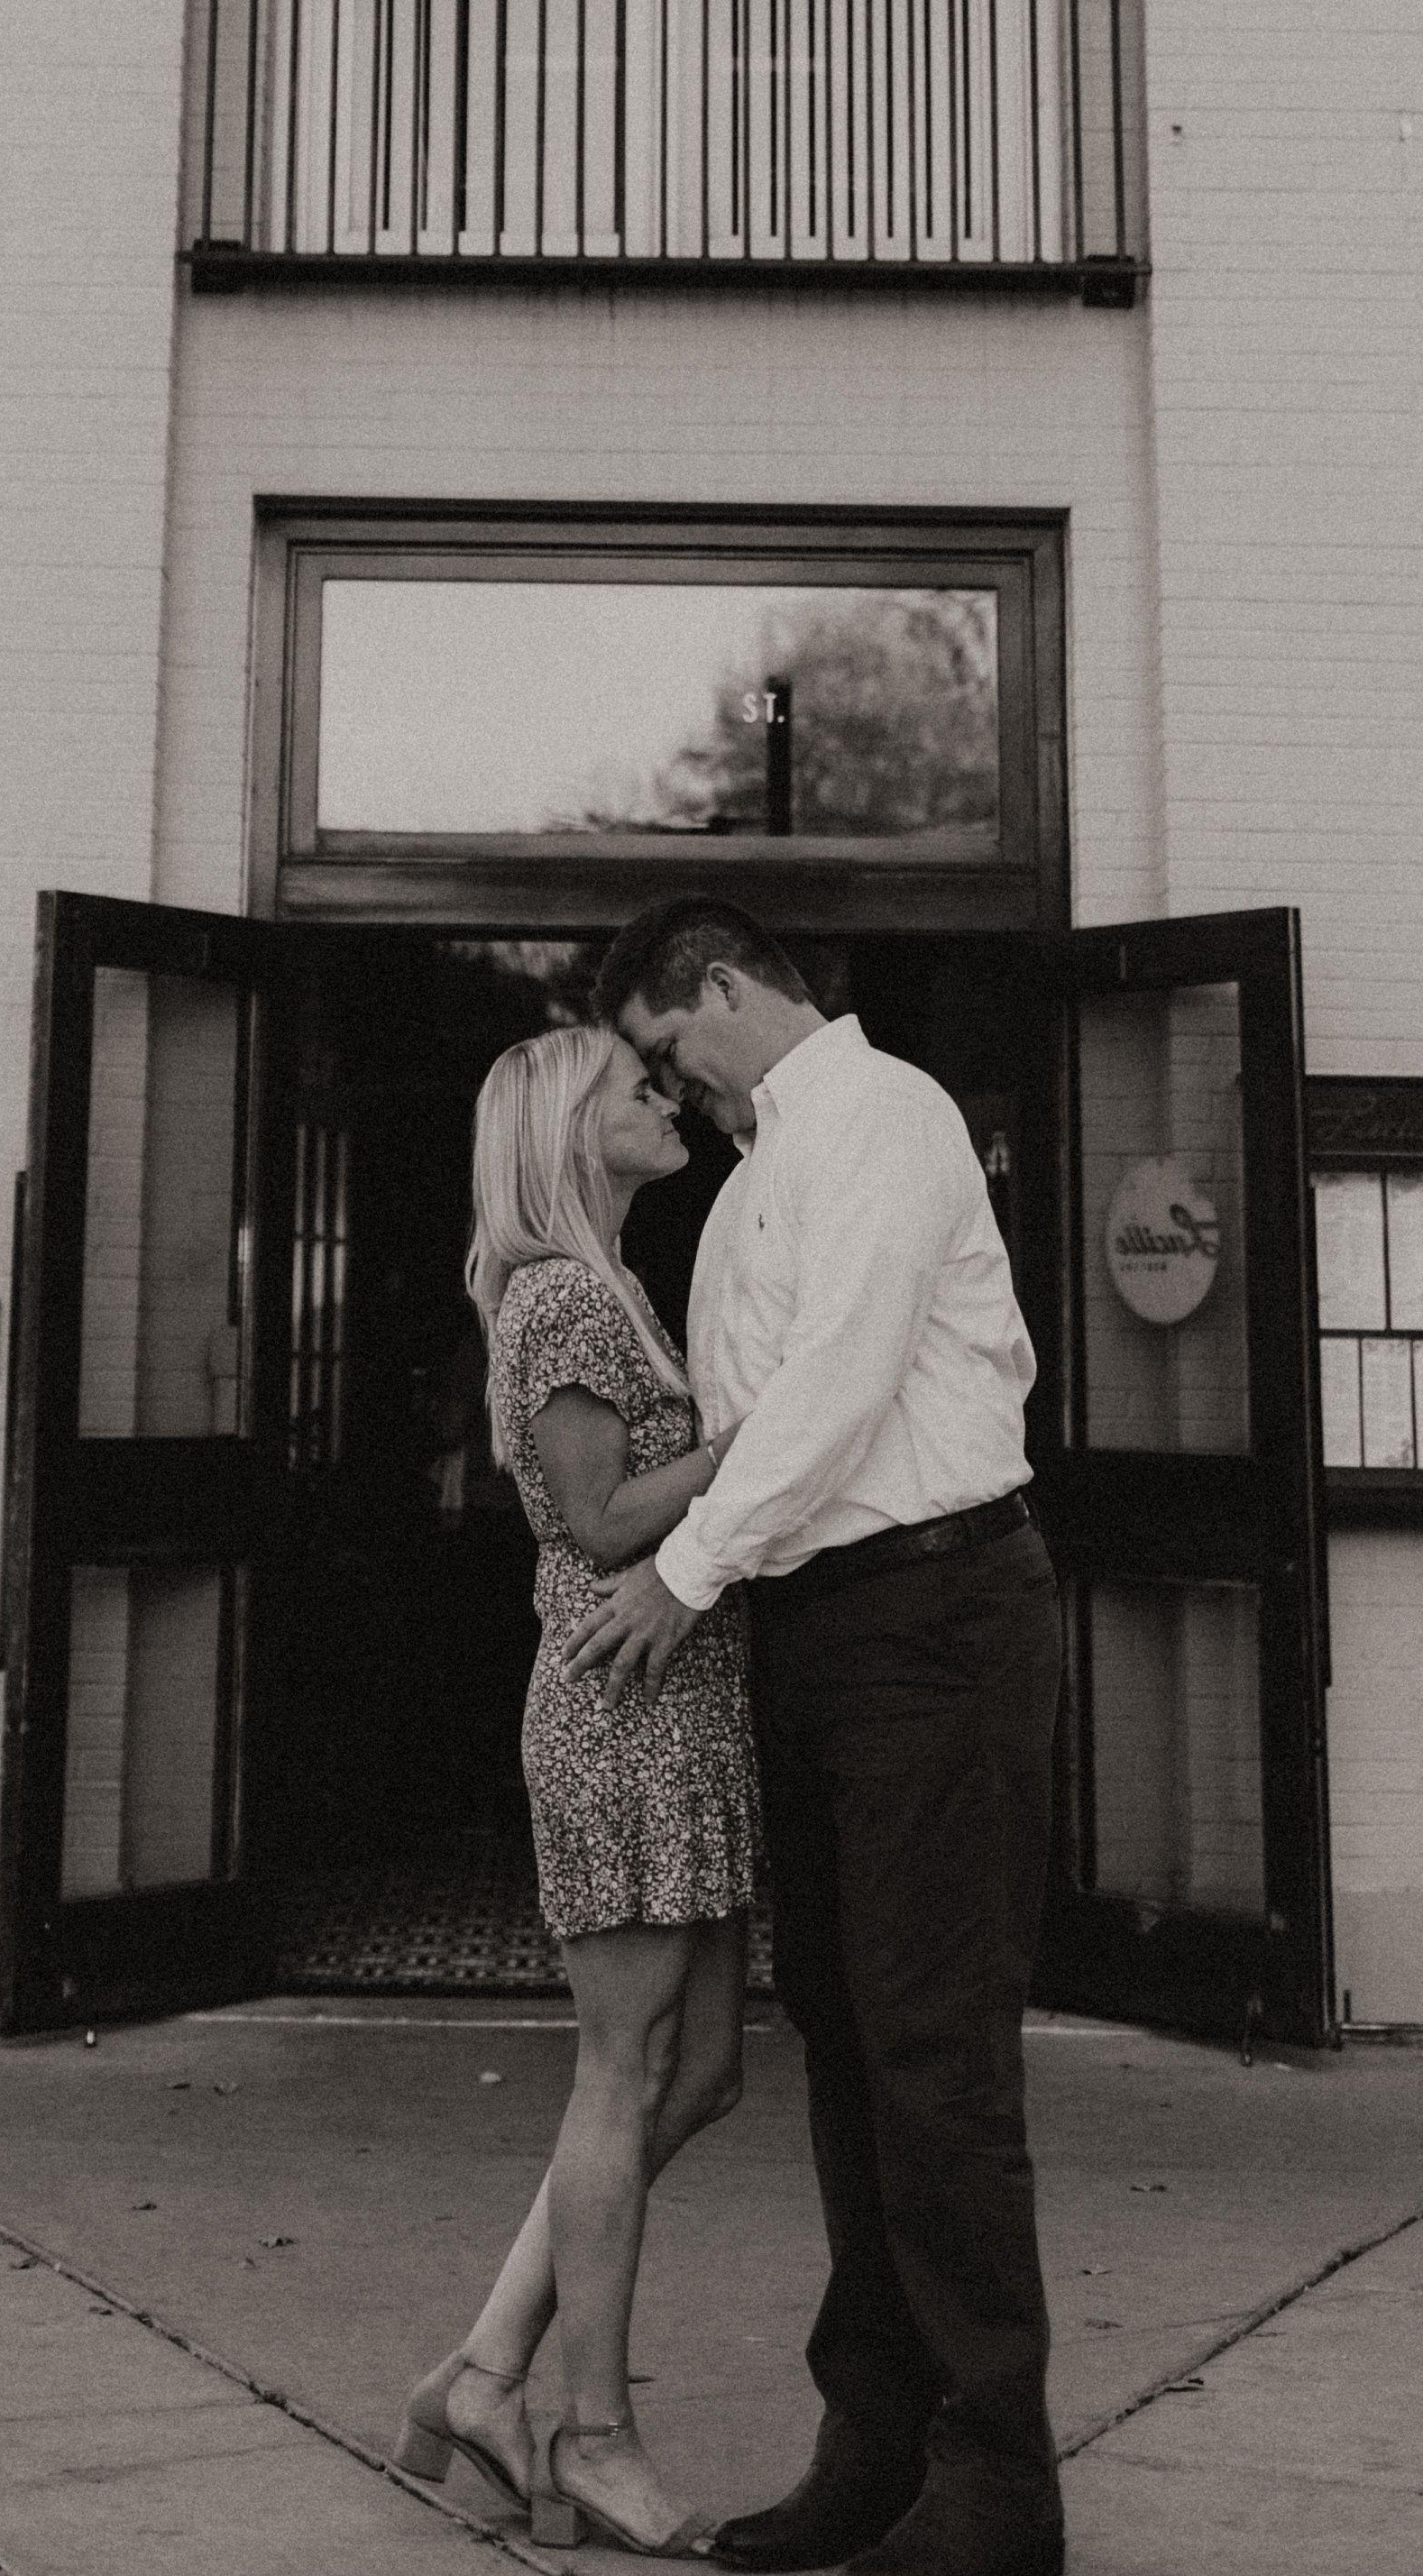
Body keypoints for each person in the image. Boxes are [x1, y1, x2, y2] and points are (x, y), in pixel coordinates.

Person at [565, 899, 1065, 2576]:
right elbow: (743, 1424)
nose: (670, 1085)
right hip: (832, 1630)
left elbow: (836, 1391)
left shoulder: (887, 1116)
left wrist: (678, 1581)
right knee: (851, 2053)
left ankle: (997, 2490)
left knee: (936, 2060)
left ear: (719, 986)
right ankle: (879, 2444)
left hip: (934, 1618)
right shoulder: (762, 1166)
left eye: (660, 1046)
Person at [402, 1024, 762, 2558]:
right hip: (620, 1714)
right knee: (622, 2076)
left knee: (701, 2073)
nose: (661, 1098)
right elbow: (607, 1521)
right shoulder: (556, 1294)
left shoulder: (611, 1286)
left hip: (682, 1710)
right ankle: (592, 2434)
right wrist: (764, 1437)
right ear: (566, 1131)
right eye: (633, 1088)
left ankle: (485, 2368)